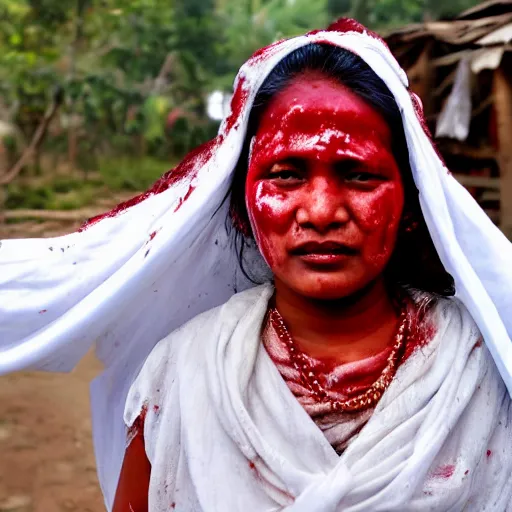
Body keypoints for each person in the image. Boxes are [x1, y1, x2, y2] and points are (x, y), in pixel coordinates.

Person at [1, 19, 512, 512]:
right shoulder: (181, 375)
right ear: (242, 200)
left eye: (358, 176)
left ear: (412, 198)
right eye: (286, 175)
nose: (320, 212)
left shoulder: (483, 368)